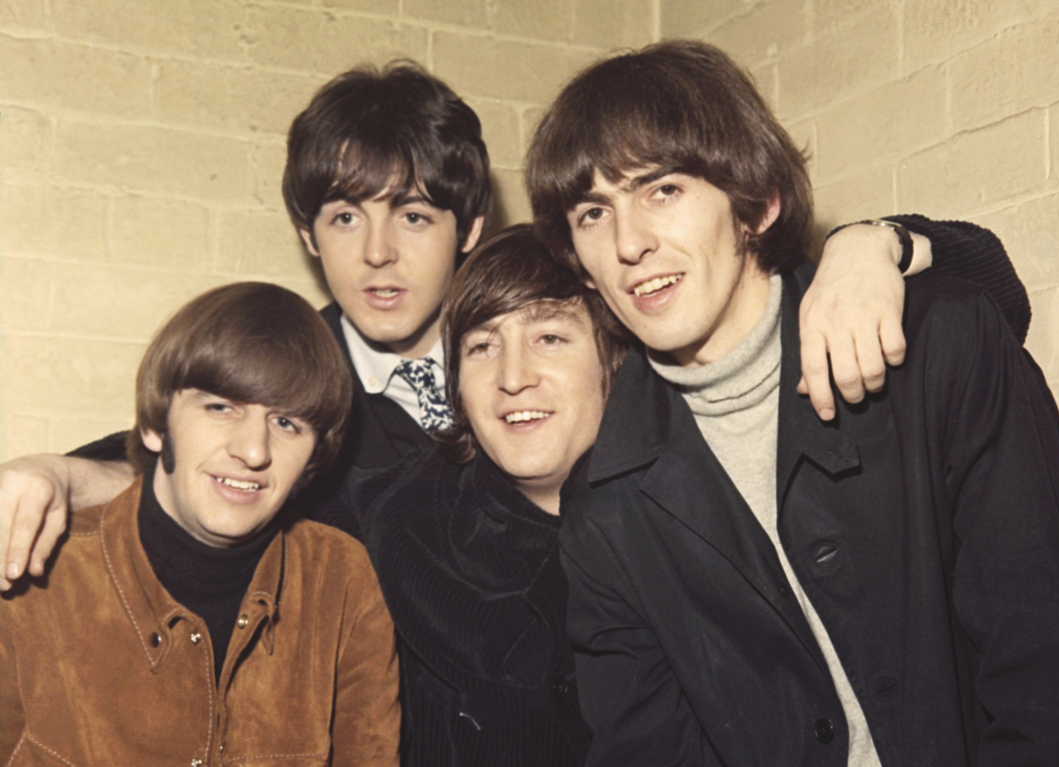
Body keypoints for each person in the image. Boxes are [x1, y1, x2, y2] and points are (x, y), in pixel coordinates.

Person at [0, 60, 998, 588]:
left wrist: (881, 241)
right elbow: (166, 462)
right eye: (346, 216)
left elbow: (972, 282)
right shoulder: (289, 382)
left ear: (472, 226)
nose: (378, 255)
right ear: (308, 233)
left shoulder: (567, 287)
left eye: (415, 215)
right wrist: (47, 471)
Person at [526, 40, 1059, 766]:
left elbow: (1053, 691)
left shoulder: (941, 349)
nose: (629, 243)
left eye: (663, 189)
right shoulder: (603, 506)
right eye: (593, 212)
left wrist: (876, 241)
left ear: (757, 203)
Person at [0, 282, 401, 765]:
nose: (253, 450)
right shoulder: (35, 570)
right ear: (154, 425)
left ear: (314, 459)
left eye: (287, 423)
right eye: (221, 407)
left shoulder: (341, 577)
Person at [344, 224, 628, 766]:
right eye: (481, 346)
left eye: (549, 338)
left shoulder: (683, 515)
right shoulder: (399, 517)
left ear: (611, 358)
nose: (513, 377)